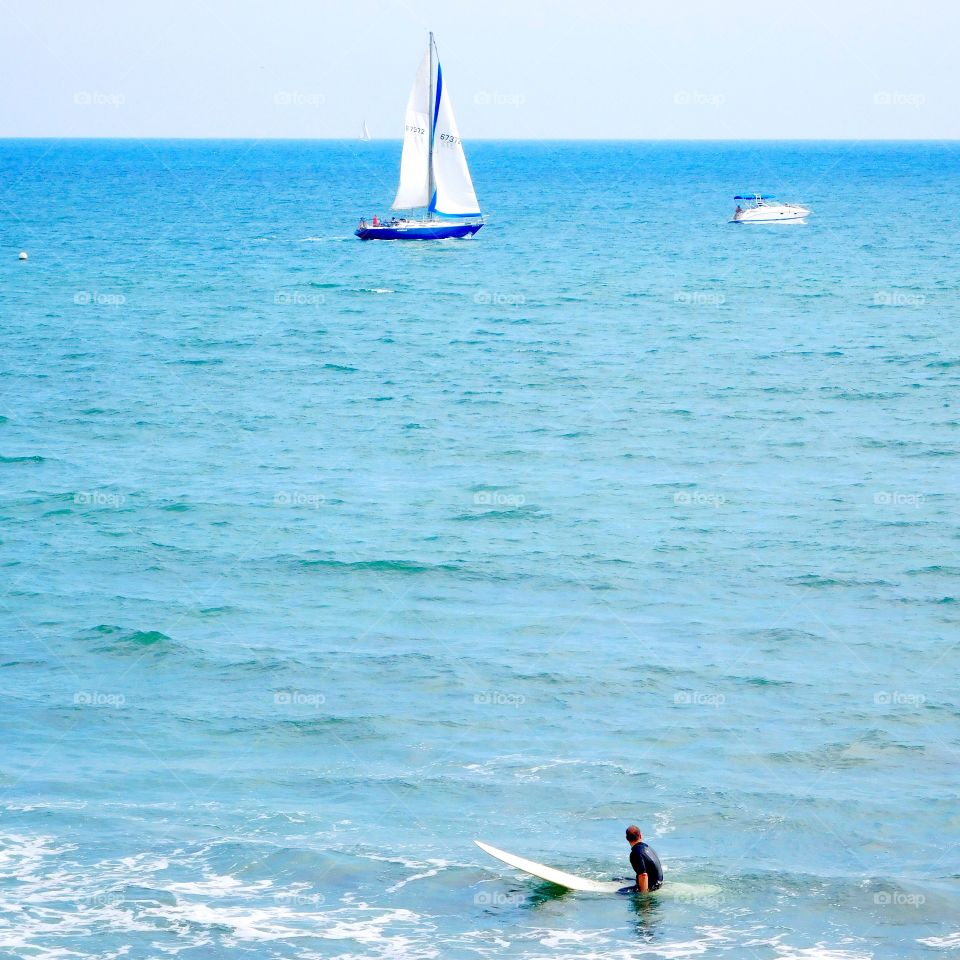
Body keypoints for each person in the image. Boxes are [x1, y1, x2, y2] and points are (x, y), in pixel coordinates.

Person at [626, 825, 663, 892]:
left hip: (651, 887)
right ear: (640, 836)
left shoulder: (635, 853)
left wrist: (644, 896)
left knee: (618, 893)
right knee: (619, 879)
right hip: (659, 883)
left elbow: (643, 875)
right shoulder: (647, 848)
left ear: (627, 838)